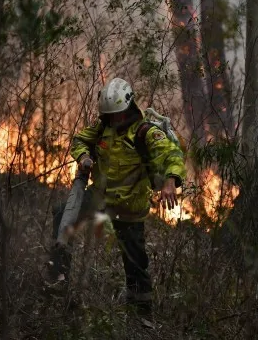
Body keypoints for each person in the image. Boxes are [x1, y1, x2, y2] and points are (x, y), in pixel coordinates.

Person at [50, 77, 187, 321]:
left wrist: (170, 182)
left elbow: (172, 155)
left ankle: (141, 317)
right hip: (100, 196)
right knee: (63, 215)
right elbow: (79, 140)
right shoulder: (104, 127)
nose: (115, 120)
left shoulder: (146, 132)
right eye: (110, 116)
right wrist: (83, 157)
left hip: (129, 206)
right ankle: (58, 280)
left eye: (118, 115)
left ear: (129, 108)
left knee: (135, 263)